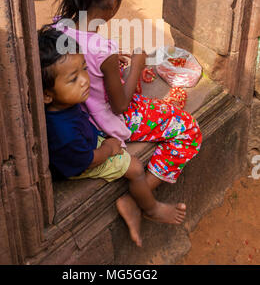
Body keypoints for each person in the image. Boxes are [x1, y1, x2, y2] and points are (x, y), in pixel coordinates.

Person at [53, 0, 202, 241]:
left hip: (82, 111)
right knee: (188, 130)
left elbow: (92, 67)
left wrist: (117, 65)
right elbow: (120, 104)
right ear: (115, 1)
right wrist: (136, 62)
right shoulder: (103, 50)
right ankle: (139, 201)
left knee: (158, 104)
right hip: (107, 122)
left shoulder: (60, 29)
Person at [38, 25, 187, 247]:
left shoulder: (63, 105)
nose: (85, 80)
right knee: (136, 168)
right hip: (85, 159)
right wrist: (109, 149)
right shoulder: (64, 133)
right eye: (72, 79)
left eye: (84, 69)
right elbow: (85, 161)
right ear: (46, 95)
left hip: (85, 142)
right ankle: (150, 208)